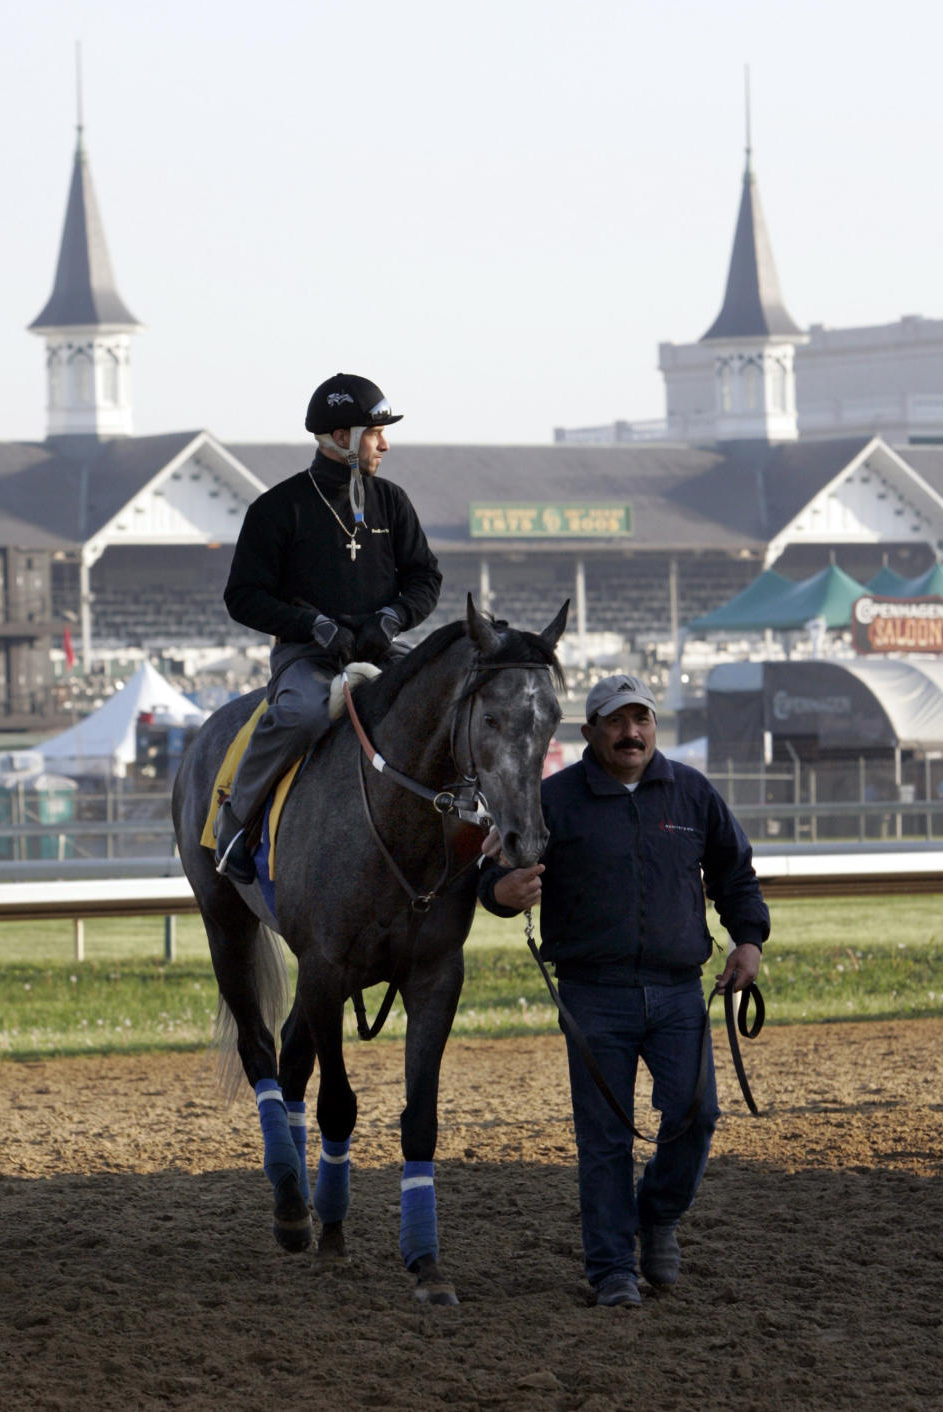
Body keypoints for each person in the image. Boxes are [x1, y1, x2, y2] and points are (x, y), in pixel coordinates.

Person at [477, 672, 769, 1309]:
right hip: (593, 995)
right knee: (605, 1137)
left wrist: (747, 940)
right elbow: (493, 873)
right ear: (590, 732)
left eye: (641, 719)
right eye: (616, 721)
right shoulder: (551, 799)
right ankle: (611, 1270)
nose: (631, 732)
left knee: (697, 1117)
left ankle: (657, 1215)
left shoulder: (691, 792)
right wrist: (499, 893)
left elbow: (734, 872)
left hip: (678, 992)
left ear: (654, 727)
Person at [214, 373, 442, 882]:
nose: (384, 442)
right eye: (374, 432)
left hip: (384, 649)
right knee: (300, 716)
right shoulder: (276, 508)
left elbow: (425, 577)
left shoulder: (392, 500)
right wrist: (311, 625)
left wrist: (395, 617)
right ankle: (237, 820)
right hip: (308, 657)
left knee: (442, 704)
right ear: (341, 438)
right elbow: (241, 596)